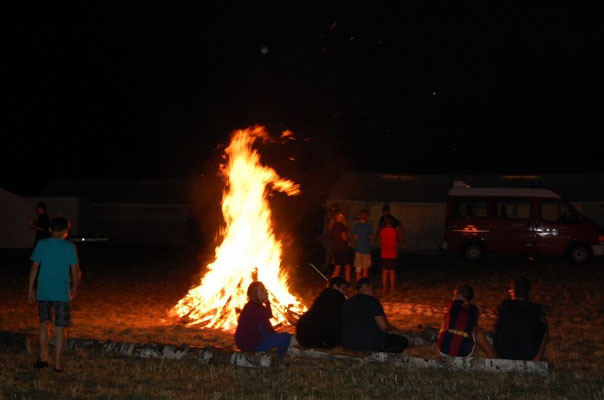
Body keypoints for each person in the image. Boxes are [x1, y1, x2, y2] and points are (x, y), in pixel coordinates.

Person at [28, 216, 81, 372]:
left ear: (50, 229)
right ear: (66, 231)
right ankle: (57, 364)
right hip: (61, 293)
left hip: (44, 291)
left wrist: (30, 289)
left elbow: (34, 268)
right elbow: (75, 270)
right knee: (60, 328)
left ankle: (43, 358)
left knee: (43, 324)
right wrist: (74, 288)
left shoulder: (42, 245)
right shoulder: (69, 247)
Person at [341, 277, 408, 353]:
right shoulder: (372, 301)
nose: (374, 290)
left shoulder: (348, 302)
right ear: (365, 286)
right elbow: (383, 326)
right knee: (402, 341)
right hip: (370, 342)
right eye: (372, 287)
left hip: (349, 342)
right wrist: (389, 331)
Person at [493, 277, 549, 361]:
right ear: (529, 293)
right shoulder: (535, 308)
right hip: (528, 353)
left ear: (512, 293)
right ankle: (537, 359)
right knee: (544, 323)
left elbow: (498, 326)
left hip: (504, 351)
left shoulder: (505, 305)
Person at [234, 281, 292, 358]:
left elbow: (268, 316)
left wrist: (267, 302)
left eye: (265, 289)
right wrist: (277, 338)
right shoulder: (253, 309)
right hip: (250, 344)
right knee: (286, 337)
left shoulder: (254, 306)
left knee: (269, 333)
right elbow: (269, 329)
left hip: (251, 341)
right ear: (254, 294)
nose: (266, 292)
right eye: (262, 290)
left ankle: (274, 353)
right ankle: (280, 358)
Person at [436, 285, 496, 358]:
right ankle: (491, 355)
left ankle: (445, 341)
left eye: (454, 296)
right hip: (465, 354)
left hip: (443, 351)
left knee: (446, 322)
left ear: (458, 295)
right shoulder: (474, 310)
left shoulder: (451, 306)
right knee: (475, 329)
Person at [295, 276, 349, 348]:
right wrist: (338, 343)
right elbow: (336, 320)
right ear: (335, 286)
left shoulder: (322, 296)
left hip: (302, 335)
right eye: (344, 288)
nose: (346, 291)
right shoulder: (337, 298)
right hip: (316, 338)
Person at [329, 212, 352, 282]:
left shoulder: (333, 226)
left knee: (338, 266)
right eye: (340, 216)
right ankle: (347, 282)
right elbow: (344, 236)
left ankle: (332, 283)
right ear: (337, 217)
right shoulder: (341, 226)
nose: (342, 217)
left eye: (342, 216)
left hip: (336, 249)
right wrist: (349, 241)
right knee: (346, 266)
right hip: (342, 249)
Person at [379, 215, 399, 297]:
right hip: (392, 254)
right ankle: (392, 289)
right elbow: (397, 240)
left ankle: (384, 289)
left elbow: (381, 241)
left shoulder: (382, 231)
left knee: (384, 271)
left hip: (384, 253)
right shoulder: (395, 231)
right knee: (392, 272)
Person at [351, 209, 373, 282]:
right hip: (366, 249)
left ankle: (359, 284)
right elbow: (370, 237)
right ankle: (364, 284)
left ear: (359, 216)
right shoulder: (369, 226)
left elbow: (355, 237)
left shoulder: (356, 226)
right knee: (365, 268)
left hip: (359, 249)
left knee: (358, 268)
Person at [317, 203, 340, 271]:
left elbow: (329, 230)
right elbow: (325, 229)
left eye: (334, 208)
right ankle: (327, 266)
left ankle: (330, 267)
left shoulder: (335, 218)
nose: (328, 216)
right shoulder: (327, 217)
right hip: (328, 236)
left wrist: (324, 237)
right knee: (328, 252)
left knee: (333, 253)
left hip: (333, 237)